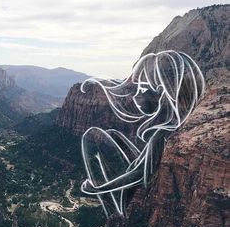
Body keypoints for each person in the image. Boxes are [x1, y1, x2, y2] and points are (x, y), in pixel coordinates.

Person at [80, 50, 205, 217]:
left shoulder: (162, 133)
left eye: (143, 88)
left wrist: (99, 187)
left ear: (162, 92)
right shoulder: (173, 122)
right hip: (138, 185)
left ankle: (114, 214)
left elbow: (138, 175)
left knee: (91, 136)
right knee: (110, 134)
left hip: (130, 196)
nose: (136, 96)